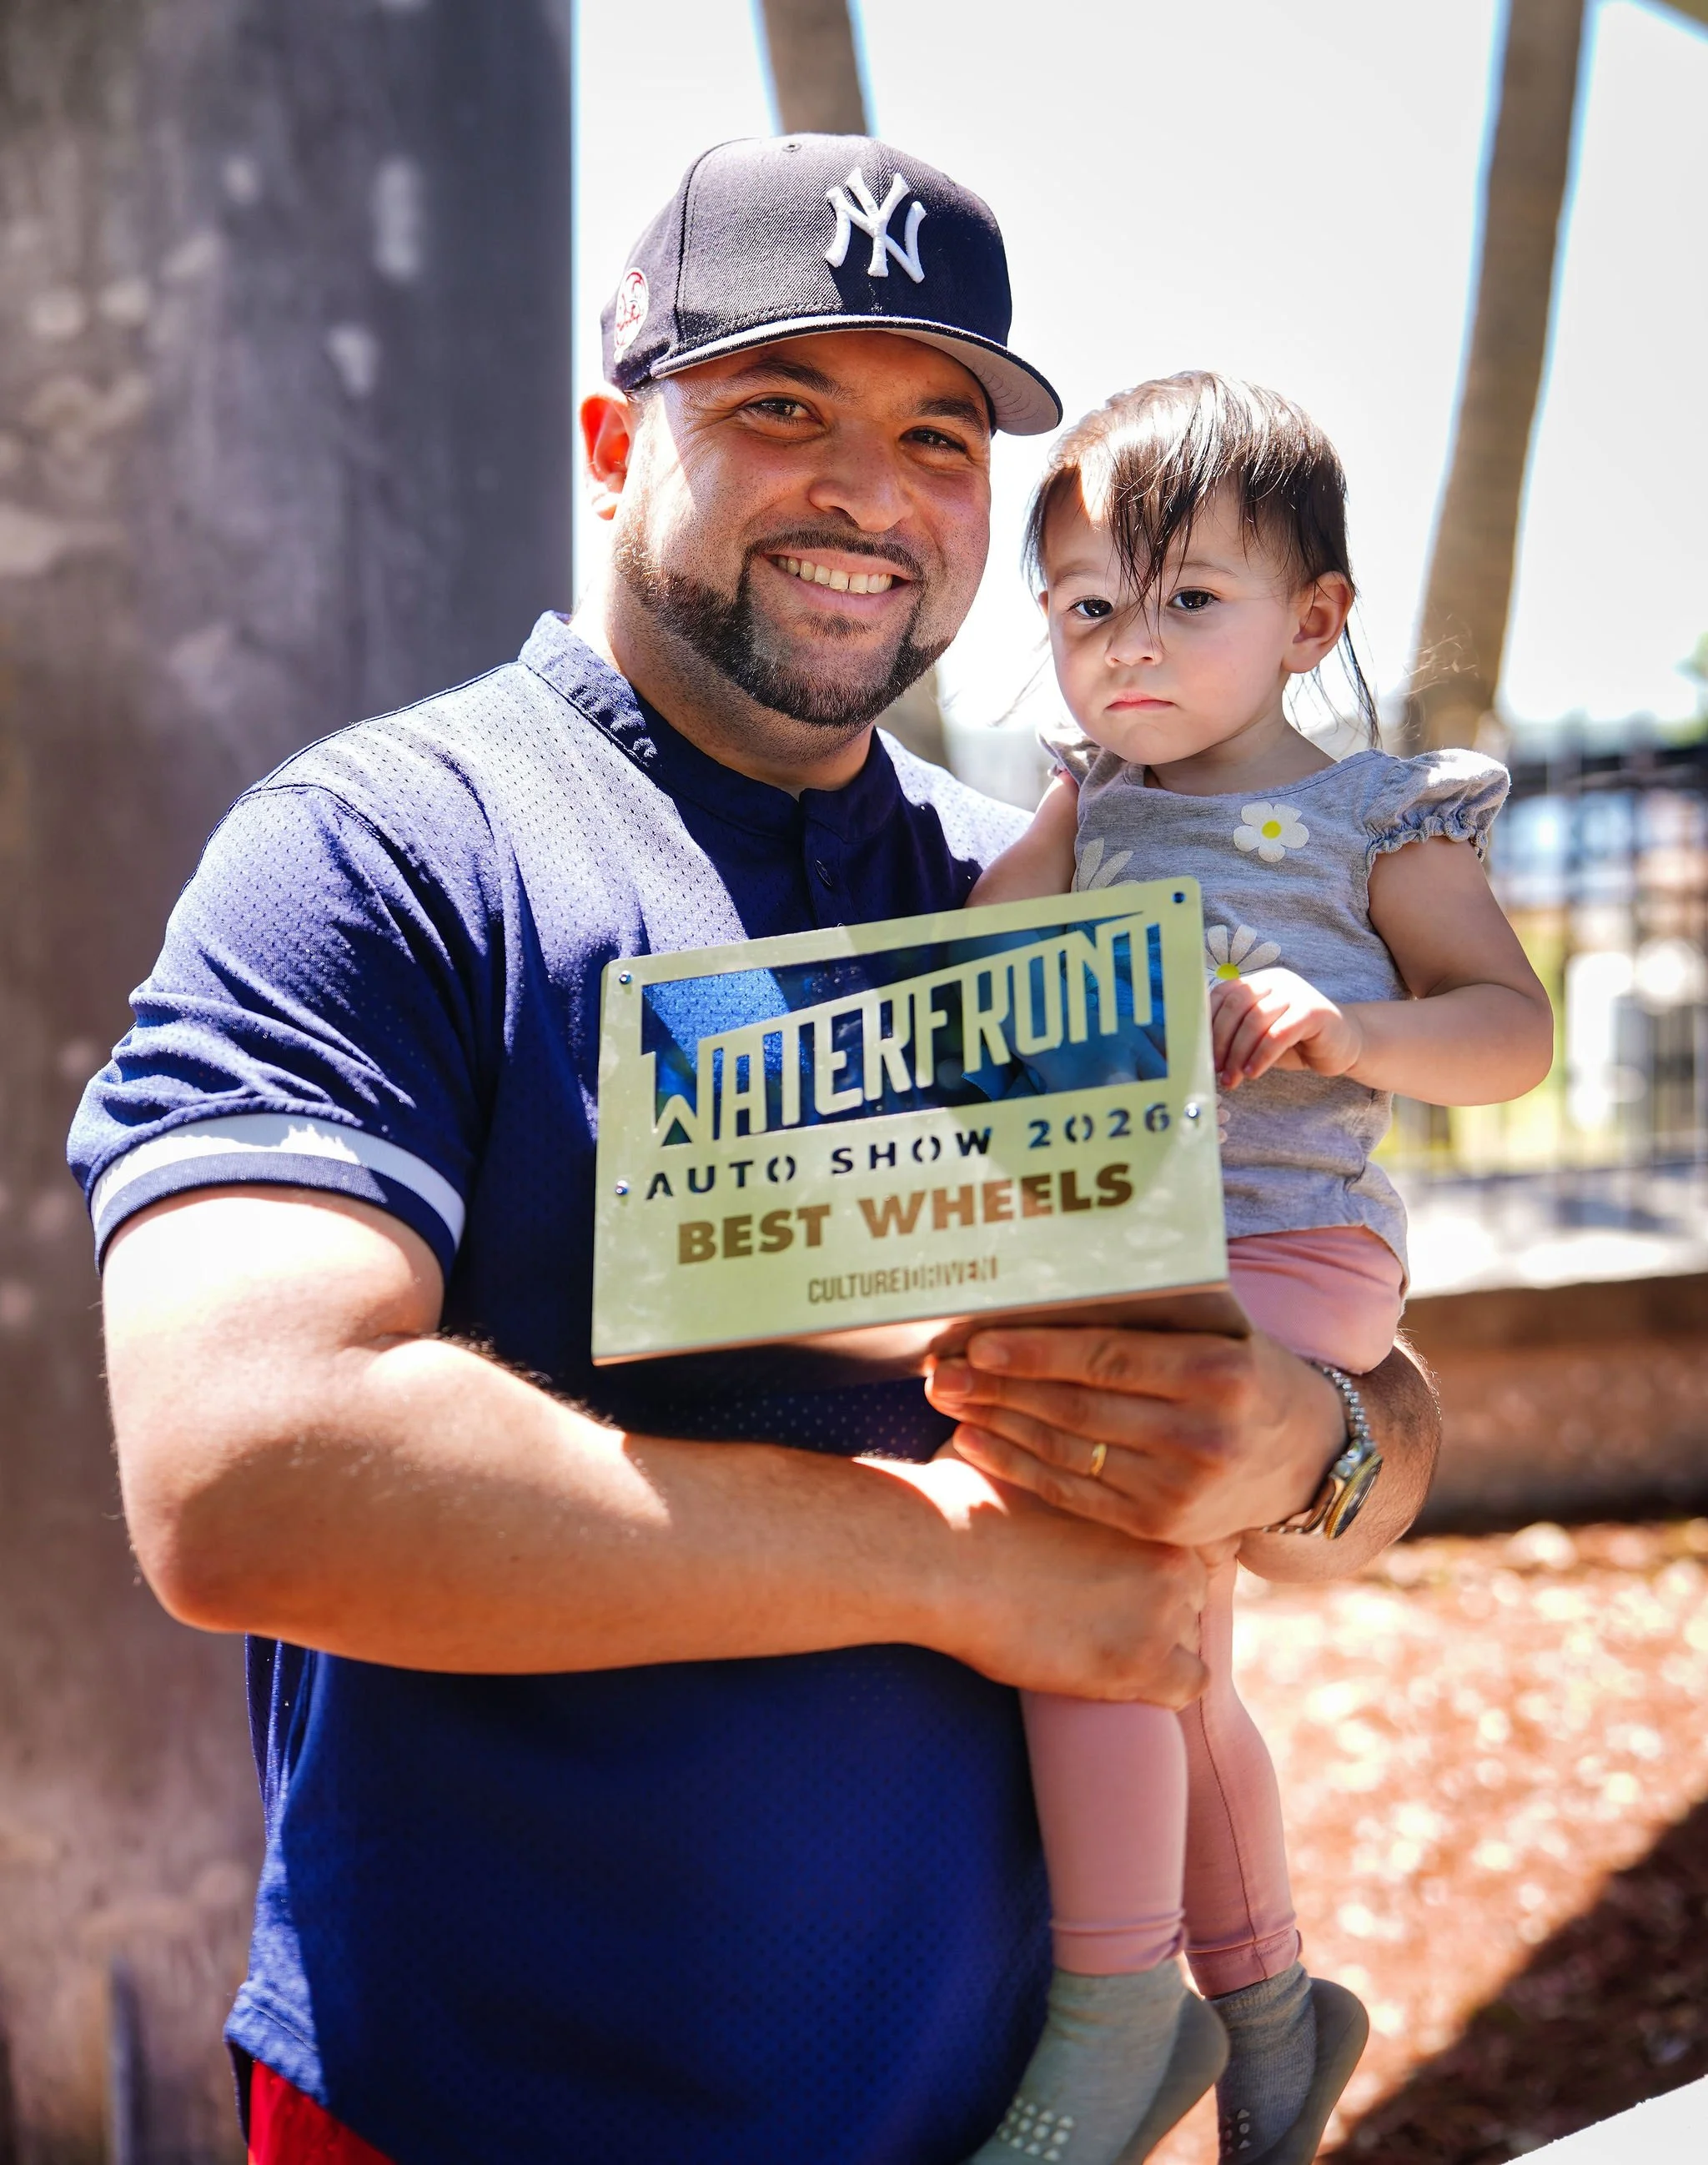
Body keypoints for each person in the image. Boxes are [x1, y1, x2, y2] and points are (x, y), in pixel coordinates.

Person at [68, 144, 1441, 2165]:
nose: (872, 494)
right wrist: (961, 1574)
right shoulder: (383, 845)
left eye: (937, 432)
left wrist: (1294, 1442)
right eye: (781, 406)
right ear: (617, 438)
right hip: (470, 2111)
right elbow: (245, 1471)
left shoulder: (1035, 890)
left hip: (997, 2113)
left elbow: (1378, 1420)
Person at [967, 371, 1553, 2164]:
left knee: (1087, 1556)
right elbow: (961, 983)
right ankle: (1275, 2015)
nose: (1124, 648)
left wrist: (1353, 1026)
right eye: (1081, 609)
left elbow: (1508, 1033)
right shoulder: (1089, 810)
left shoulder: (1384, 814)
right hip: (1128, 1243)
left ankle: (1115, 2005)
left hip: (1293, 1253)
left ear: (1314, 618)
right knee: (1164, 1644)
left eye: (1183, 600)